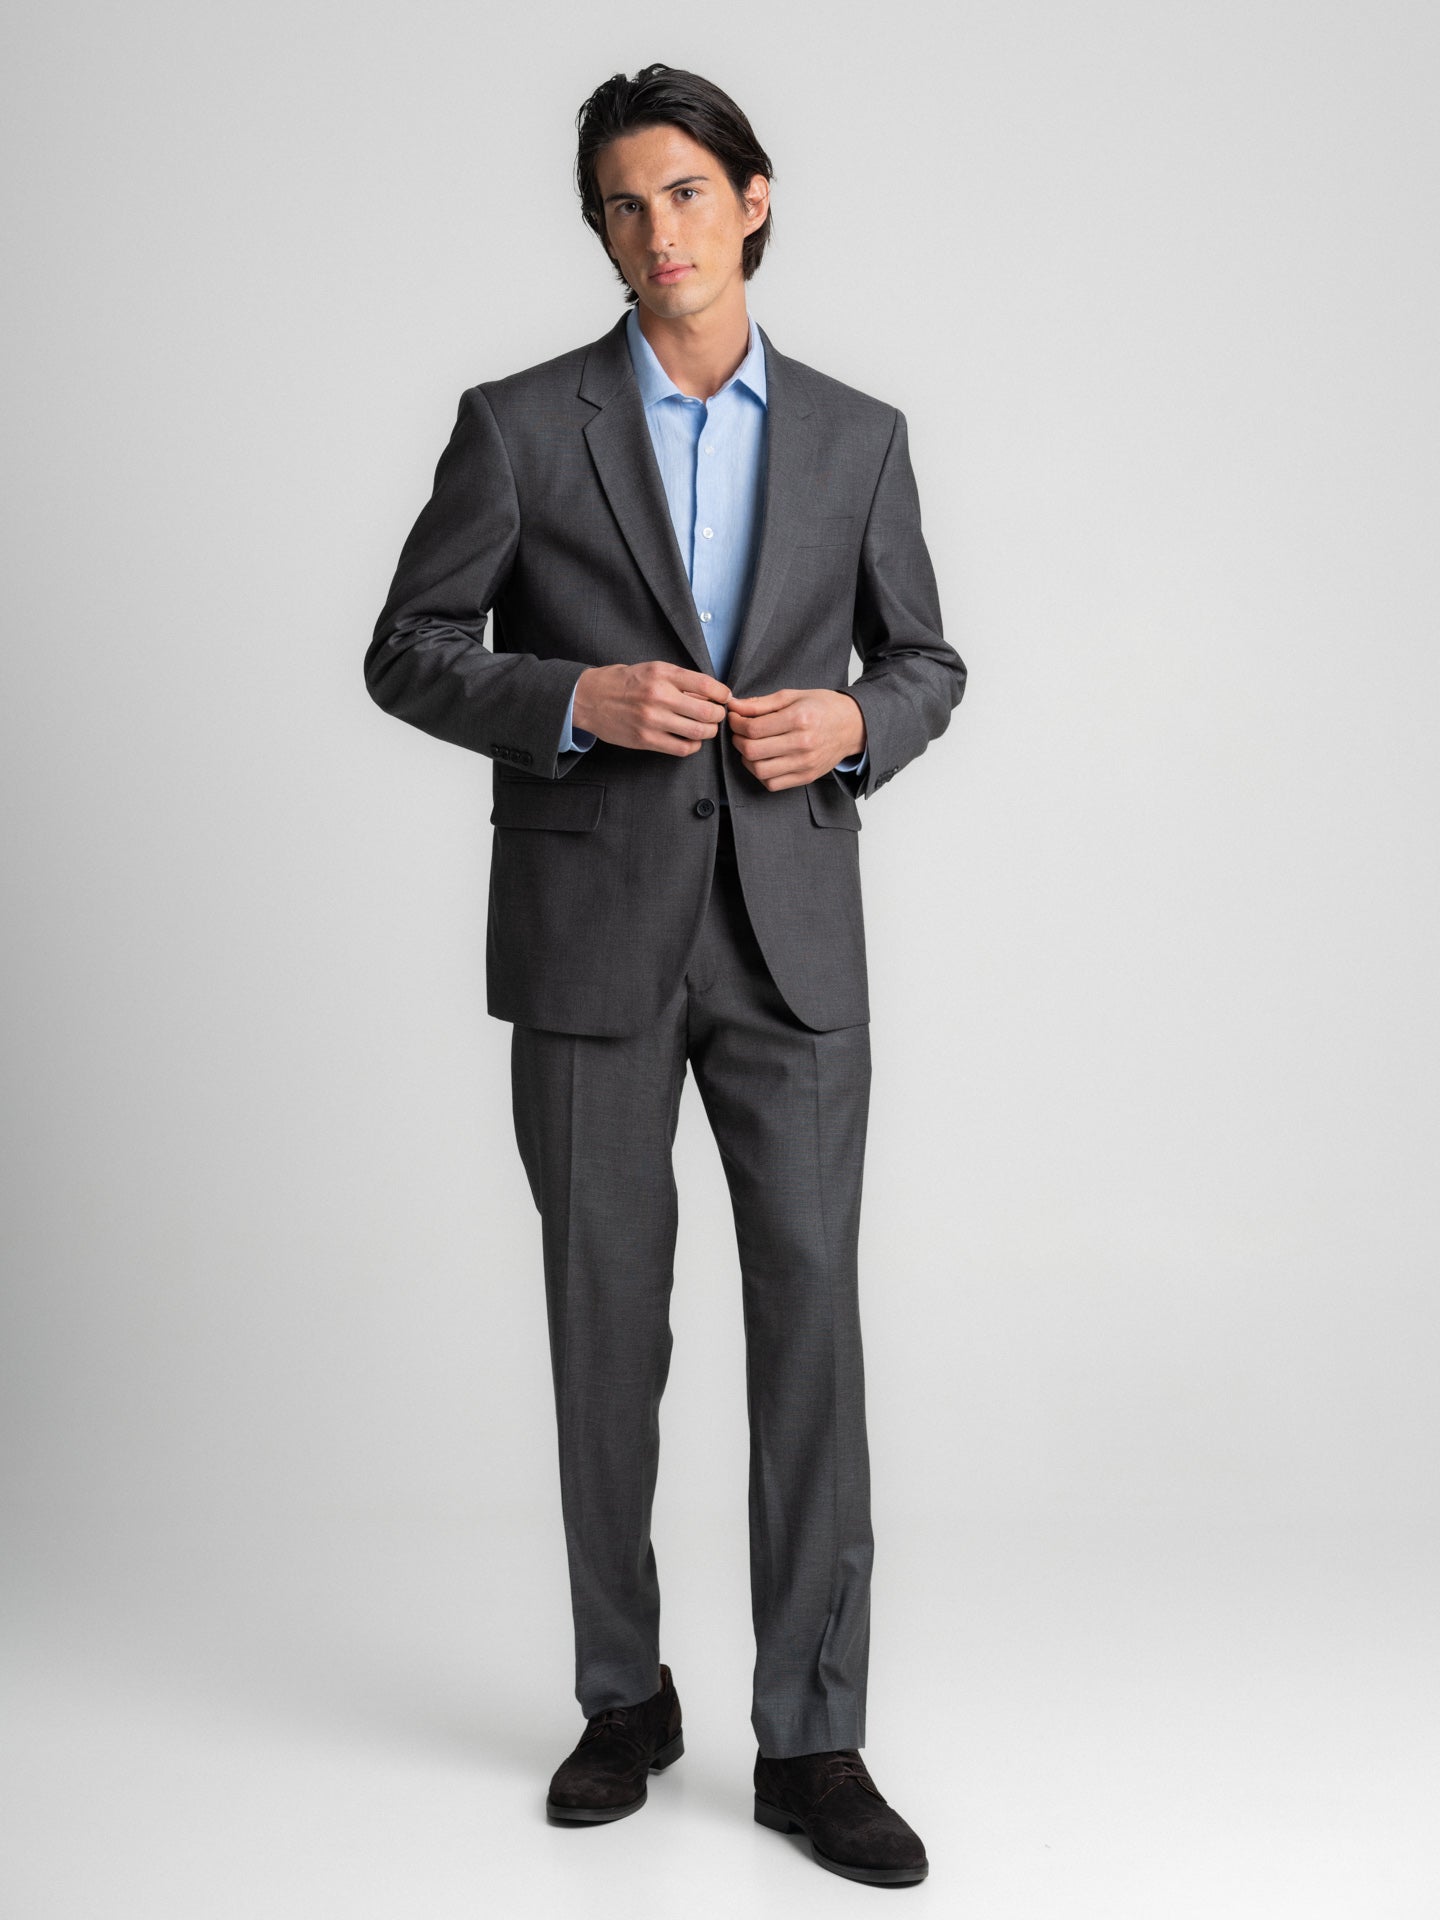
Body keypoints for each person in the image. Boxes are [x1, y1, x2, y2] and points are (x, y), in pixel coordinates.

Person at [365, 62, 965, 1887]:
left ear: (753, 200)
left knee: (814, 1334)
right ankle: (622, 1700)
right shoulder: (519, 427)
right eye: (624, 205)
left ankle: (815, 1740)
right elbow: (406, 648)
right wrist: (575, 699)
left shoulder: (858, 435)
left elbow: (927, 662)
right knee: (603, 1330)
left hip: (792, 947)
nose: (658, 231)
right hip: (589, 945)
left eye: (687, 192)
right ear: (602, 231)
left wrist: (853, 725)